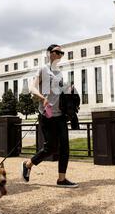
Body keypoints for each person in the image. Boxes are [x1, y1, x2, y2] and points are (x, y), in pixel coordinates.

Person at [21, 44, 78, 188]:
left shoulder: (59, 72)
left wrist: (68, 90)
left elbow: (58, 90)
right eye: (57, 52)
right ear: (49, 53)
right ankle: (28, 164)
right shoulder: (43, 69)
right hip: (47, 114)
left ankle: (61, 179)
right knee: (50, 148)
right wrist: (42, 98)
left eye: (61, 53)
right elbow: (33, 88)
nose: (59, 55)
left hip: (60, 115)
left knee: (65, 146)